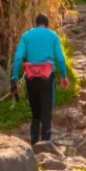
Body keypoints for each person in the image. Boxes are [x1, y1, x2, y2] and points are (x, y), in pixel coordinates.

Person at [11, 12, 72, 146]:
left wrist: (14, 77)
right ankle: (45, 146)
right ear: (47, 24)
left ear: (36, 24)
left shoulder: (26, 36)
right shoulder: (53, 36)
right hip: (47, 78)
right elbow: (61, 59)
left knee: (35, 114)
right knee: (47, 113)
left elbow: (18, 58)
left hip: (31, 78)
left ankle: (33, 143)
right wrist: (64, 76)